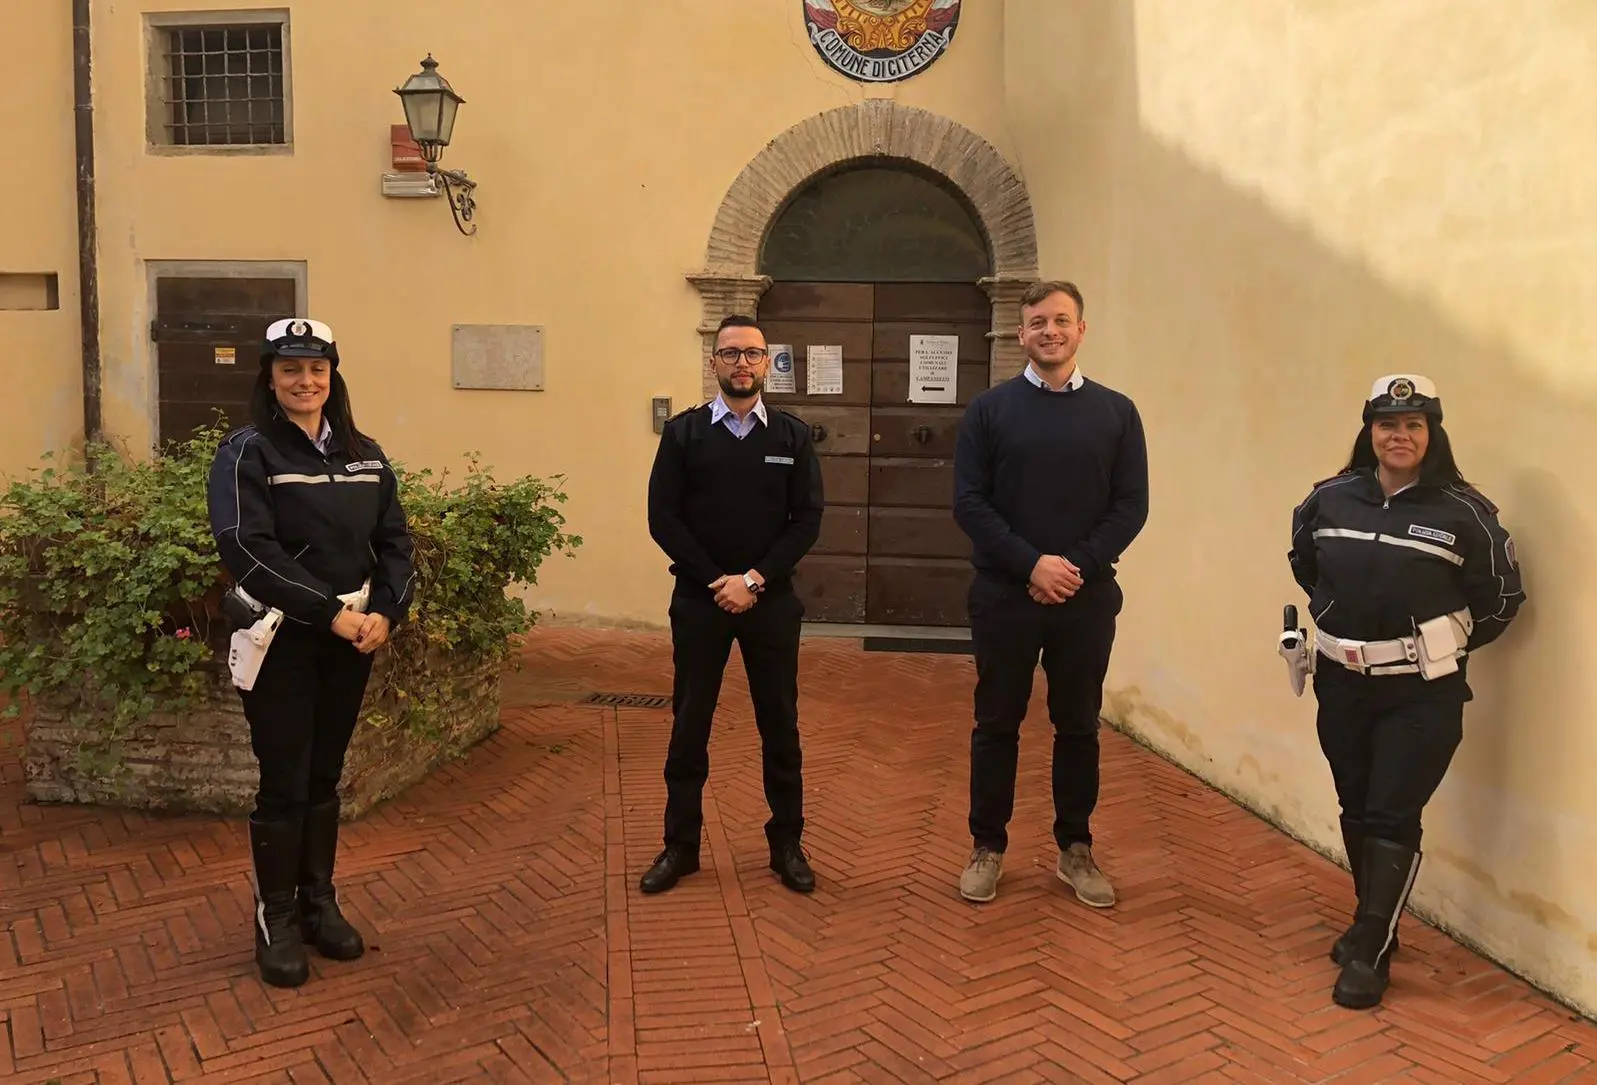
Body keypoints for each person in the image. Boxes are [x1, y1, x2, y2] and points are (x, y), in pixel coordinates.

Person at [1288, 373, 1523, 1010]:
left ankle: (1369, 949)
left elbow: (1501, 599)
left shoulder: (1464, 512)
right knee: (1356, 804)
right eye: (1388, 424)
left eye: (1414, 424)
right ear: (1370, 431)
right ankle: (1376, 923)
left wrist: (1438, 648)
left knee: (1393, 811)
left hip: (1422, 694)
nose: (1400, 435)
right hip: (1341, 681)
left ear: (1432, 434)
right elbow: (1304, 563)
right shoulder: (1329, 499)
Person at [206, 317, 415, 988]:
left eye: (317, 368)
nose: (305, 380)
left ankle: (320, 902)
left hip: (353, 637)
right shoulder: (248, 452)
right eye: (291, 368)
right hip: (287, 640)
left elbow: (395, 543)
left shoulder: (365, 453)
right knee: (284, 779)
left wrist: (385, 609)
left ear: (333, 376)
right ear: (269, 377)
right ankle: (277, 916)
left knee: (325, 775)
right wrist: (331, 615)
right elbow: (246, 549)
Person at [951, 280, 1150, 907]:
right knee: (995, 724)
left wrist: (1073, 568)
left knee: (1079, 726)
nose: (1050, 332)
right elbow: (970, 503)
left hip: (1085, 598)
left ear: (1081, 330)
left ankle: (1075, 849)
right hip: (1005, 596)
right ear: (1021, 334)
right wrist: (1032, 564)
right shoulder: (989, 410)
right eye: (1038, 322)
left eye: (1061, 321)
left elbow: (1130, 507)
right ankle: (988, 846)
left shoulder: (1117, 413)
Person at [640, 314, 825, 896]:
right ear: (713, 363)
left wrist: (754, 579)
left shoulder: (793, 437)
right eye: (730, 354)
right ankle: (680, 846)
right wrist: (718, 579)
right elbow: (662, 518)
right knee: (690, 725)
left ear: (767, 363)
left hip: (771, 602)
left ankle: (787, 845)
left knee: (781, 725)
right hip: (700, 600)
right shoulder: (685, 434)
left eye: (752, 354)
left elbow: (807, 521)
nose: (741, 364)